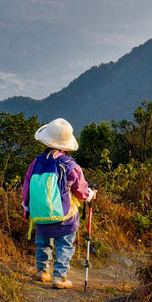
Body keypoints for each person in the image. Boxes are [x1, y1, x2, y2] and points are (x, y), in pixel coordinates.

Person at [22, 117, 96, 289]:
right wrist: (90, 194)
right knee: (65, 243)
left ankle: (42, 271)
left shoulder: (37, 162)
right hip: (65, 215)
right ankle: (59, 277)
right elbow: (81, 190)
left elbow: (27, 185)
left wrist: (27, 207)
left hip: (40, 213)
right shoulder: (70, 164)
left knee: (43, 241)